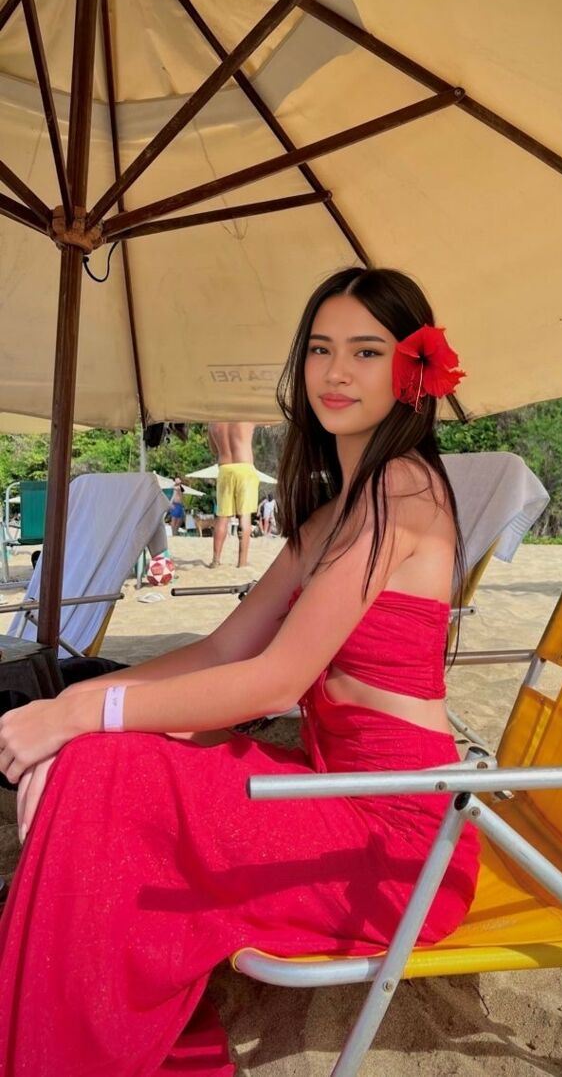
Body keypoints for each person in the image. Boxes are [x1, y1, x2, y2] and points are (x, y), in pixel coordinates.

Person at [0, 267, 478, 1076]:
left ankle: (85, 1046)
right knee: (102, 758)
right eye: (320, 349)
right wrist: (80, 700)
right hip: (332, 793)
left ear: (413, 371)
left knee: (102, 772)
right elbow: (225, 650)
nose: (335, 372)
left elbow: (274, 682)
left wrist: (79, 715)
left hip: (401, 842)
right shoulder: (334, 511)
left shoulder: (402, 493)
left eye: (366, 351)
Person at [207, 422, 259, 568]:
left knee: (222, 517)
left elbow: (213, 449)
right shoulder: (247, 418)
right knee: (244, 515)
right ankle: (242, 561)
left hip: (225, 468)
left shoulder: (212, 423)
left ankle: (216, 560)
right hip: (245, 467)